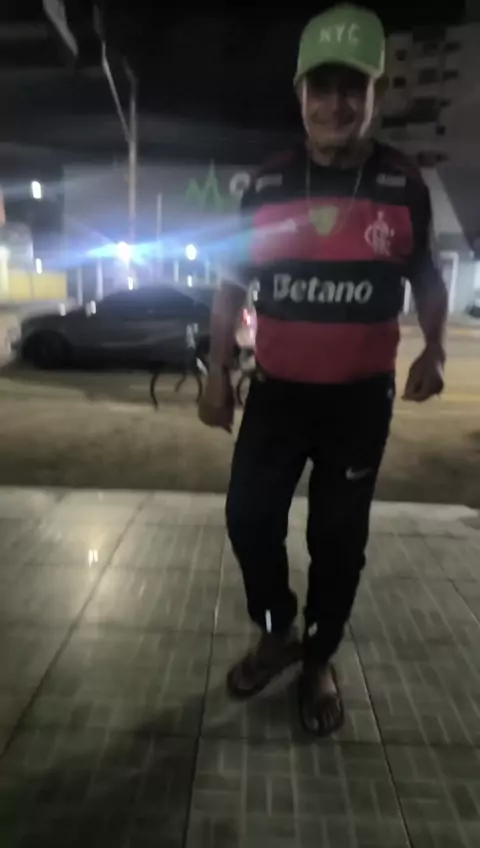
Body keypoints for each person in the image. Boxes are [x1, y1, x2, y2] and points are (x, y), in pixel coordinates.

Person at [199, 3, 447, 737]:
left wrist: (434, 348)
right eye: (321, 87)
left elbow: (426, 277)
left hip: (358, 405)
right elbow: (231, 284)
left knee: (338, 540)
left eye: (352, 88)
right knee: (248, 517)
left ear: (377, 94)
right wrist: (217, 369)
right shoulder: (267, 185)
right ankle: (277, 628)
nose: (335, 104)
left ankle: (318, 656)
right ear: (299, 94)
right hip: (277, 396)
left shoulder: (402, 184)